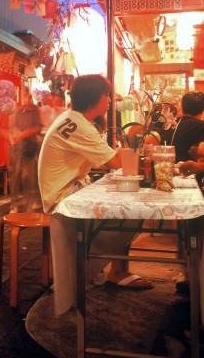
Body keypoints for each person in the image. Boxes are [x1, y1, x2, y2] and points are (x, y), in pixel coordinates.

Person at [38, 73, 152, 307]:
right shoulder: (80, 125)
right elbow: (115, 162)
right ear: (96, 98)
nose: (110, 100)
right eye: (107, 95)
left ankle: (113, 268)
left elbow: (108, 159)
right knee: (129, 208)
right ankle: (112, 269)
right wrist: (141, 144)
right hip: (63, 198)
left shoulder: (74, 119)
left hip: (64, 190)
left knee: (125, 200)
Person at [9, 86, 43, 213]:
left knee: (29, 175)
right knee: (15, 175)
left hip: (29, 146)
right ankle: (14, 204)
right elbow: (12, 127)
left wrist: (23, 134)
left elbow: (38, 127)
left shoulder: (34, 110)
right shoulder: (16, 110)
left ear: (28, 95)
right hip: (17, 147)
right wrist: (15, 134)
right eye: (20, 94)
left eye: (23, 94)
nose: (21, 96)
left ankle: (32, 201)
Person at [160, 91, 204, 161]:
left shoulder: (169, 123)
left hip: (165, 167)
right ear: (202, 110)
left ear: (182, 106)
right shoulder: (203, 125)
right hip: (188, 169)